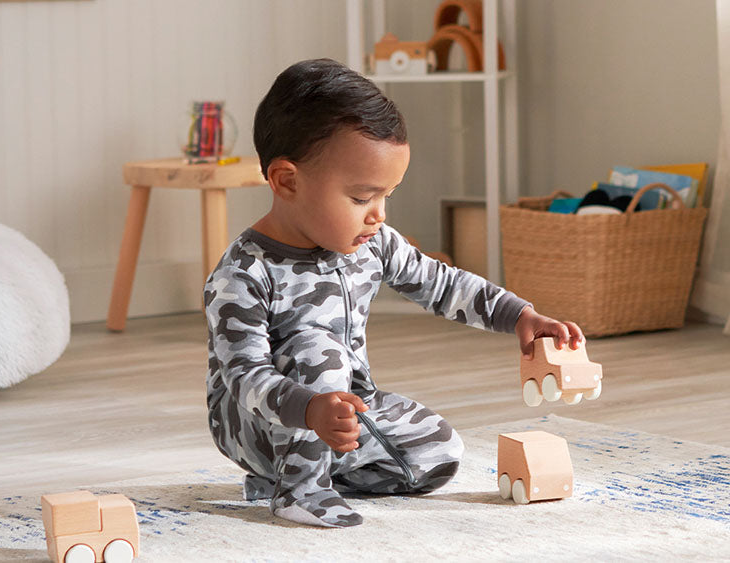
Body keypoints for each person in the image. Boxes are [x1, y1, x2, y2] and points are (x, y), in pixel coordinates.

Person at [204, 58, 585, 528]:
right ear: (287, 181)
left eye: (386, 196)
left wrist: (519, 315)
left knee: (438, 452)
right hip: (255, 418)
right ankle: (299, 490)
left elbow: (442, 284)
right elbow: (244, 377)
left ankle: (292, 475)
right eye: (362, 198)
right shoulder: (242, 273)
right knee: (315, 347)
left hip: (342, 405)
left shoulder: (373, 243)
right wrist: (311, 408)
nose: (378, 214)